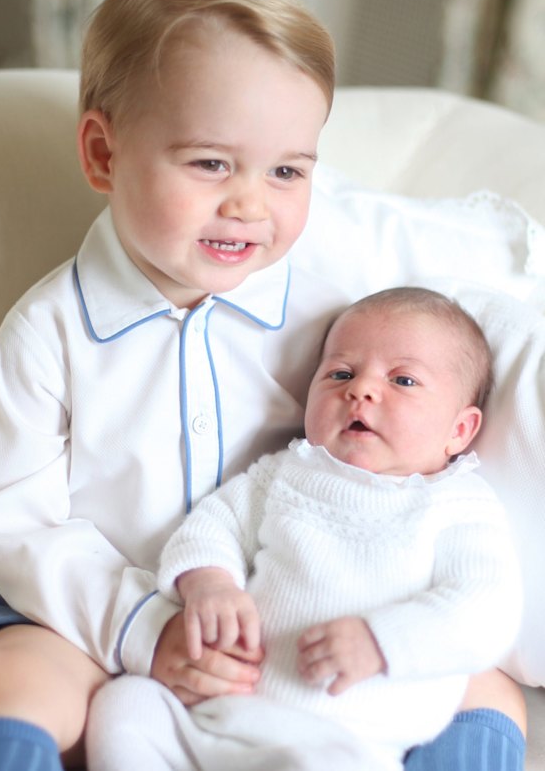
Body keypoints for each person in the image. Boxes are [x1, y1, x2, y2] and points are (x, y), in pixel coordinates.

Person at [0, 0, 525, 770]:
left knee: (485, 688)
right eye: (210, 164)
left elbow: (459, 274)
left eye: (287, 172)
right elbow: (12, 522)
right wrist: (146, 627)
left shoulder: (335, 307)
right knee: (2, 680)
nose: (250, 205)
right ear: (103, 153)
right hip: (88, 622)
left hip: (290, 621)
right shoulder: (49, 331)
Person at [85, 287, 522, 771]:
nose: (361, 389)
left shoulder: (457, 505)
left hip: (343, 743)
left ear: (459, 430)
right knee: (126, 703)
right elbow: (213, 525)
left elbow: (487, 609)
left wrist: (382, 641)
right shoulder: (285, 473)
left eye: (403, 380)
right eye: (341, 373)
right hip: (215, 719)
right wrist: (209, 582)